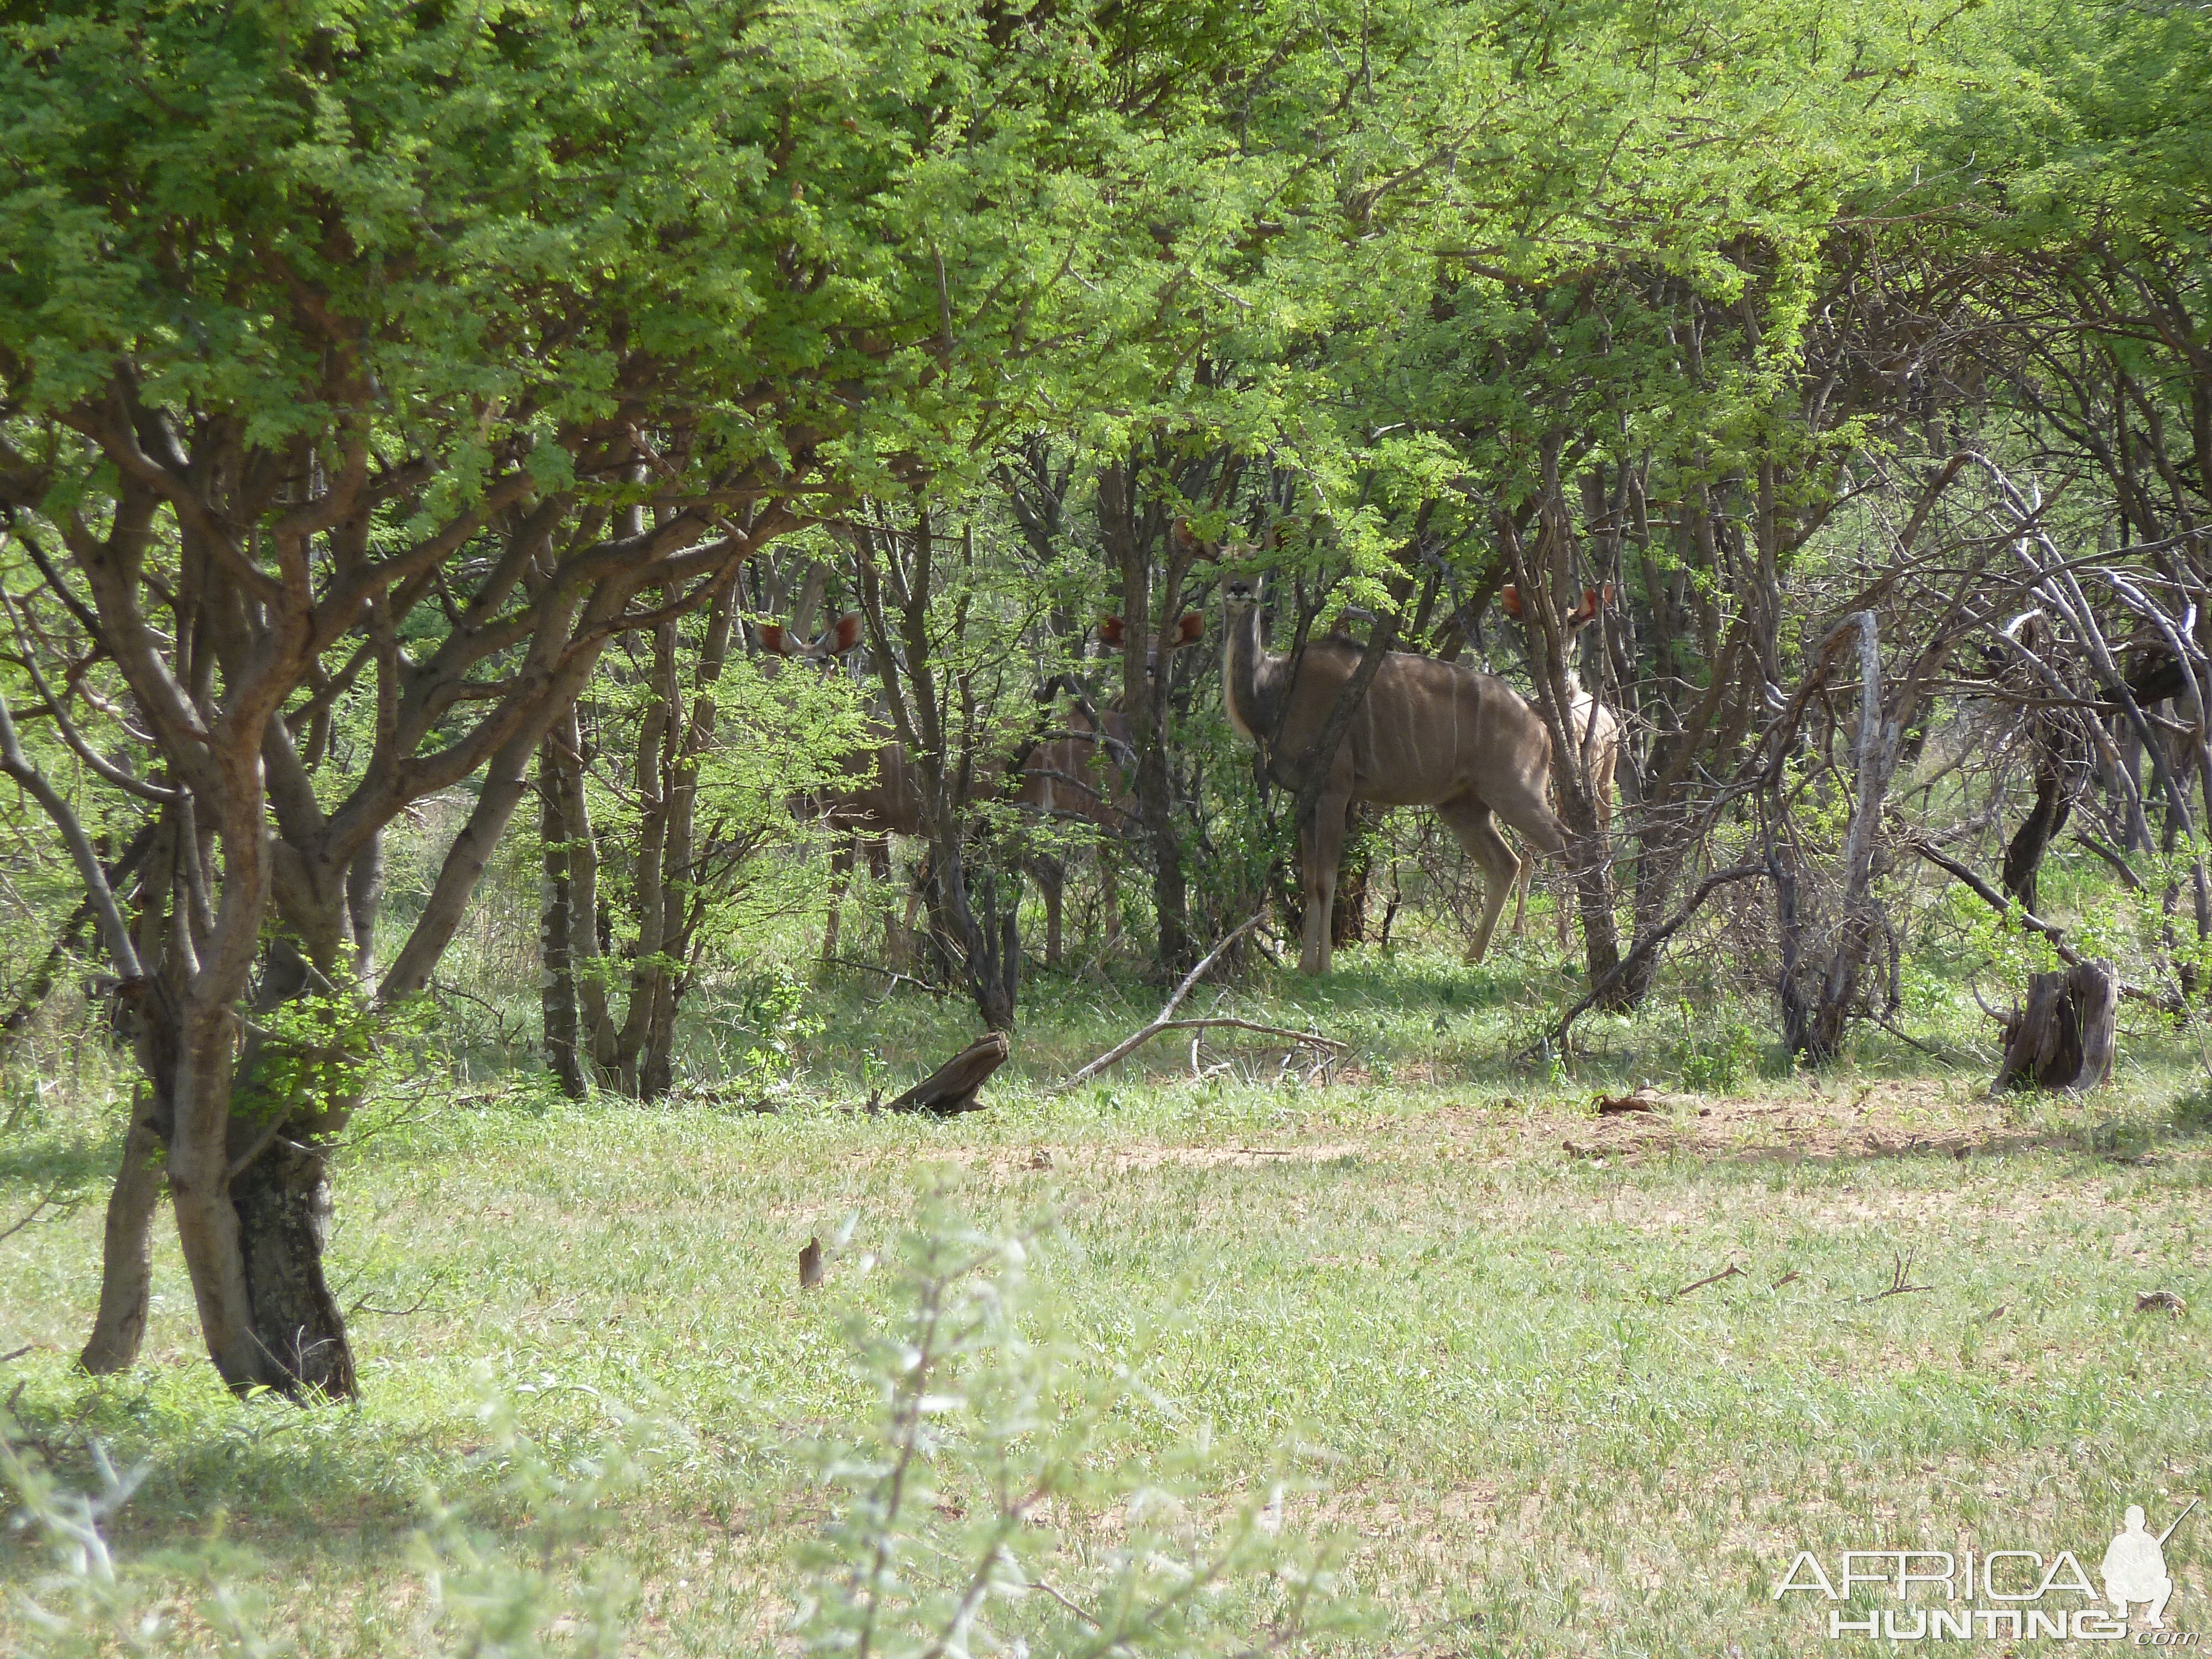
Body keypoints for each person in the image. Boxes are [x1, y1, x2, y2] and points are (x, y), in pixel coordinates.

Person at [2101, 1505, 2174, 1628]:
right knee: (2113, 1582)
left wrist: (2148, 1572)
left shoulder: (2151, 1542)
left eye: (2137, 1521)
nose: (2134, 1524)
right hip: (2123, 1588)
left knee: (2166, 1583)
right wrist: (2123, 1573)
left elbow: (2162, 1570)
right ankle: (2122, 1606)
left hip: (2143, 1589)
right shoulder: (2118, 1541)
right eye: (2130, 1520)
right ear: (2126, 1522)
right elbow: (2106, 1569)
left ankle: (2154, 1615)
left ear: (2143, 1522)